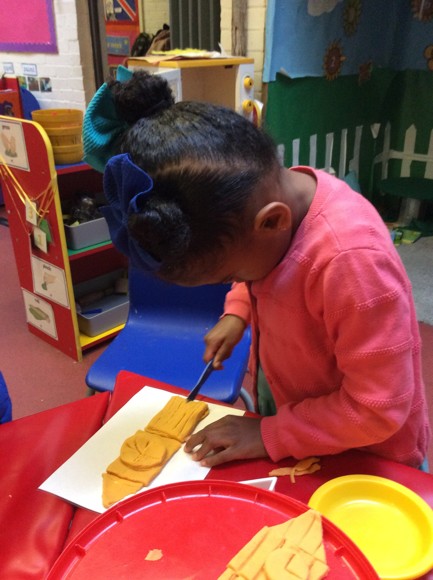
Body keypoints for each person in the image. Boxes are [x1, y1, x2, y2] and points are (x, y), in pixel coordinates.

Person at [83, 69, 430, 471]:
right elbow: (260, 270)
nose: (235, 282)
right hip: (299, 417)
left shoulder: (352, 263)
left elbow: (378, 408)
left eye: (227, 276)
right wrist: (237, 311)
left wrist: (267, 433)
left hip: (367, 459)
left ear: (272, 221)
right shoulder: (267, 205)